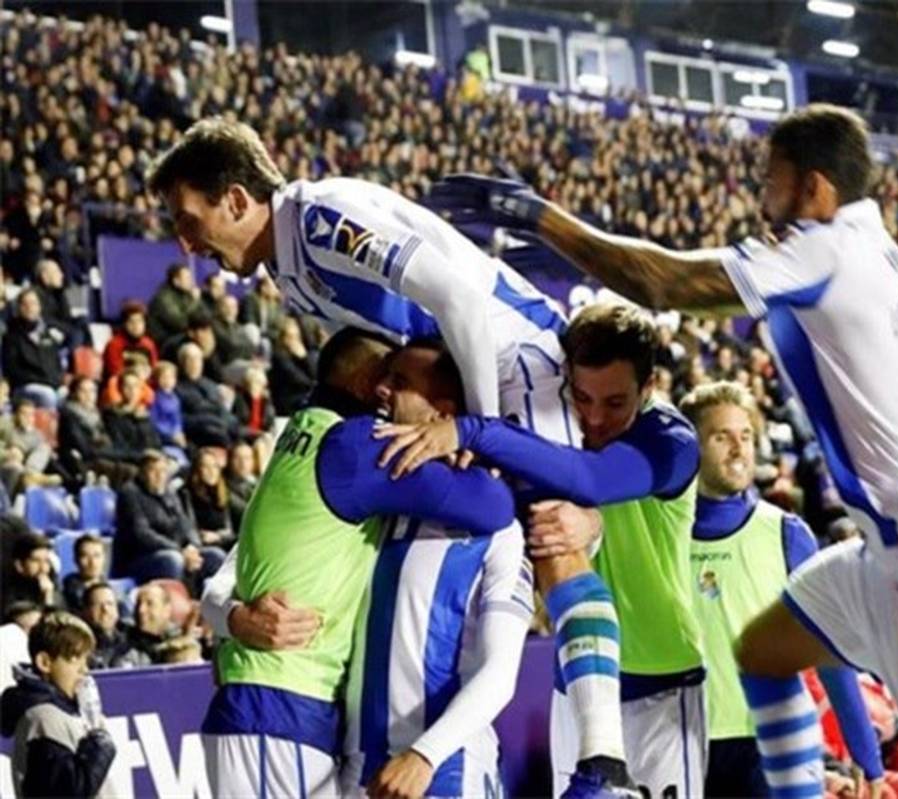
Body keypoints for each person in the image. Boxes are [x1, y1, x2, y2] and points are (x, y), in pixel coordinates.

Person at [431, 103, 898, 797]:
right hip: (889, 549)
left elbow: (664, 283)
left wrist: (542, 218)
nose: (760, 198)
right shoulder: (863, 250)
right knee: (767, 652)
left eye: (770, 181)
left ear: (813, 188)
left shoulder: (825, 250)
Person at [152, 116, 636, 796]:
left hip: (512, 356)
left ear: (235, 199)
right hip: (462, 378)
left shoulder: (319, 219)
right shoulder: (287, 270)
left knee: (552, 534)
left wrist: (475, 432)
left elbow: (461, 300)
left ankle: (603, 761)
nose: (184, 242)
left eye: (188, 219)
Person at [382, 304, 704, 798]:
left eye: (615, 402)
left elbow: (591, 479)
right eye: (583, 397)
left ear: (649, 387)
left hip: (660, 679)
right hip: (579, 676)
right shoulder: (553, 420)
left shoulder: (671, 439)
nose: (595, 418)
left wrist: (472, 430)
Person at [199, 329, 522, 798]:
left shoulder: (348, 461)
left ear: (443, 413)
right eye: (383, 377)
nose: (385, 391)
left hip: (412, 756)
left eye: (399, 382)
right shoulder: (357, 451)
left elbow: (501, 673)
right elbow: (495, 503)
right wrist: (232, 618)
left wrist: (426, 754)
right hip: (284, 708)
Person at [679, 381, 885, 797]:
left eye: (745, 436)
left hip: (777, 743)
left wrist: (865, 753)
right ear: (691, 448)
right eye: (721, 437)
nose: (738, 449)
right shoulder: (664, 534)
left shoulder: (786, 533)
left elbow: (828, 650)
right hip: (684, 741)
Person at [0, 611, 118, 798]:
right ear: (45, 662)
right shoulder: (43, 718)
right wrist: (100, 745)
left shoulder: (66, 712)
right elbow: (70, 790)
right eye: (74, 659)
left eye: (85, 660)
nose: (84, 669)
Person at [112, 449, 224, 591]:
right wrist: (179, 550)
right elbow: (142, 534)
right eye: (153, 471)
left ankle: (208, 603)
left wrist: (193, 547)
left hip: (176, 550)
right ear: (141, 473)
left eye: (163, 471)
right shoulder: (129, 493)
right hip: (141, 557)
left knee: (216, 556)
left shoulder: (168, 492)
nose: (160, 476)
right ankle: (173, 602)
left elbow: (185, 524)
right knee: (174, 559)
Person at [1, 288, 66, 406]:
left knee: (66, 395)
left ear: (39, 307)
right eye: (25, 304)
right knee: (47, 395)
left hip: (51, 383)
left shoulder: (48, 334)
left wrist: (57, 381)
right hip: (26, 386)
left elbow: (56, 364)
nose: (30, 307)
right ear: (19, 308)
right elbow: (13, 370)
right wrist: (42, 380)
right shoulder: (12, 336)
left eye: (33, 303)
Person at [79, 583, 133, 670]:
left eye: (110, 604)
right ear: (86, 610)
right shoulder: (79, 646)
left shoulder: (131, 639)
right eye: (97, 604)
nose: (105, 609)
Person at [3, 531, 59, 613]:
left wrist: (49, 596)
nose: (43, 568)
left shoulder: (52, 584)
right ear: (19, 565)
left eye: (46, 561)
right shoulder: (7, 593)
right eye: (35, 561)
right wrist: (47, 600)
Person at [102, 300, 158, 381]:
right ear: (125, 324)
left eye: (140, 321)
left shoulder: (149, 344)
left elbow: (154, 370)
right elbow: (115, 372)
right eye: (131, 322)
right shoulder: (114, 344)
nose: (136, 326)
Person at [147, 263, 200, 343]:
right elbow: (181, 324)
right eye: (187, 278)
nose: (191, 281)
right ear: (176, 281)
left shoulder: (185, 294)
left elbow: (202, 318)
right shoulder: (163, 298)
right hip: (166, 340)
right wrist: (194, 301)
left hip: (182, 336)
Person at [62, 534, 107, 614]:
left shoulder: (111, 591)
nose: (92, 562)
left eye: (97, 556)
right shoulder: (65, 594)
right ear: (76, 560)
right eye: (85, 556)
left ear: (104, 558)